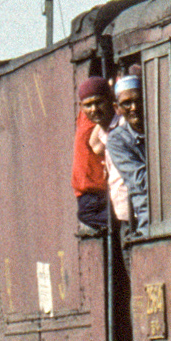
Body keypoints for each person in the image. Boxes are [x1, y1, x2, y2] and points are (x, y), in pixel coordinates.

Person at [102, 75, 153, 234]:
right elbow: (141, 181)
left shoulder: (161, 125)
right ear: (117, 108)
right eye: (127, 103)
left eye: (138, 101)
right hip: (150, 219)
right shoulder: (117, 139)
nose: (134, 107)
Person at [72, 76, 116, 235]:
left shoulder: (104, 120)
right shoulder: (86, 116)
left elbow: (97, 147)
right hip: (87, 191)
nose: (93, 109)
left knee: (90, 215)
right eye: (88, 105)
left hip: (96, 191)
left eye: (98, 103)